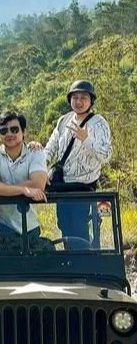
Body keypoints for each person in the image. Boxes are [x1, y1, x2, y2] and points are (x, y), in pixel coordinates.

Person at [40, 80, 112, 246]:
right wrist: (40, 169)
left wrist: (86, 139)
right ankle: (71, 265)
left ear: (91, 101)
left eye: (83, 98)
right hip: (63, 187)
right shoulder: (64, 120)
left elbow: (105, 155)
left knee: (82, 231)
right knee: (66, 228)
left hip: (84, 189)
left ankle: (86, 267)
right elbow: (50, 148)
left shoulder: (99, 123)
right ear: (70, 99)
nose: (79, 102)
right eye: (75, 97)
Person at [0, 110, 48, 249]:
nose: (9, 134)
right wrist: (24, 190)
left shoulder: (35, 153)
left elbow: (38, 184)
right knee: (1, 270)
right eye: (4, 131)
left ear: (24, 132)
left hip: (29, 225)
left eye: (14, 129)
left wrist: (1, 187)